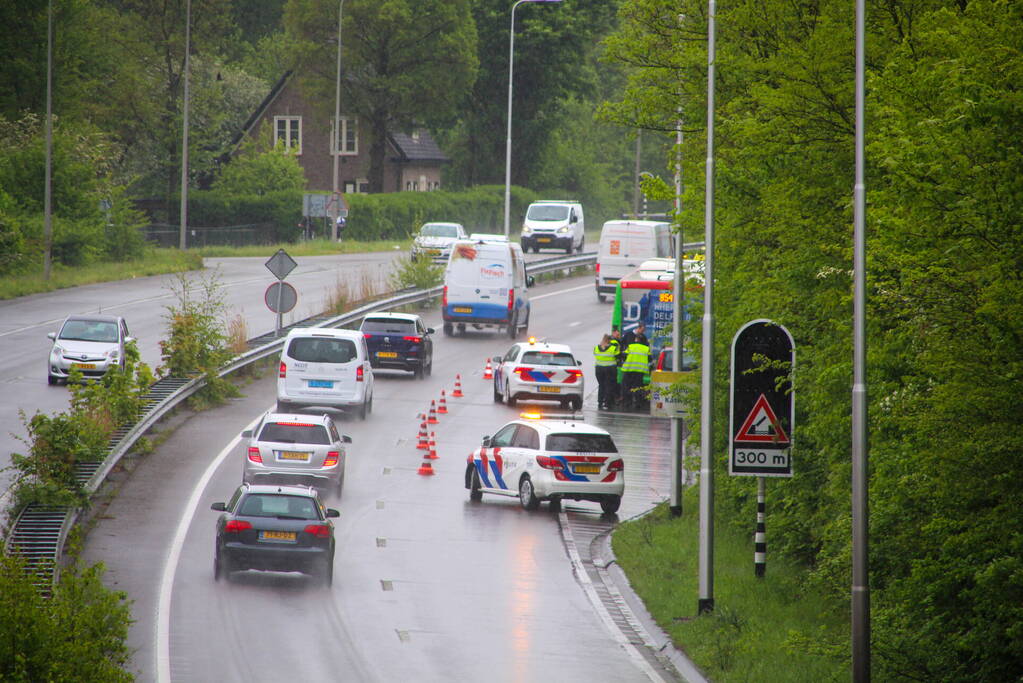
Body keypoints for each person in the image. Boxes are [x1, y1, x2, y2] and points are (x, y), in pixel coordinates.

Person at [620, 334, 651, 412]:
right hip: (640, 371)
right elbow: (650, 359)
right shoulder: (646, 349)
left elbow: (624, 355)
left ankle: (627, 402)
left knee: (627, 387)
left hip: (629, 369)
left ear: (637, 340)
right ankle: (638, 403)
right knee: (637, 387)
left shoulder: (631, 346)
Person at [593, 334, 619, 410]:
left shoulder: (596, 348)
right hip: (610, 369)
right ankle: (607, 402)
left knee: (601, 385)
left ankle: (600, 402)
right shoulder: (613, 348)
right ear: (609, 340)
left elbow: (595, 355)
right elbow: (618, 356)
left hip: (599, 369)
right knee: (609, 386)